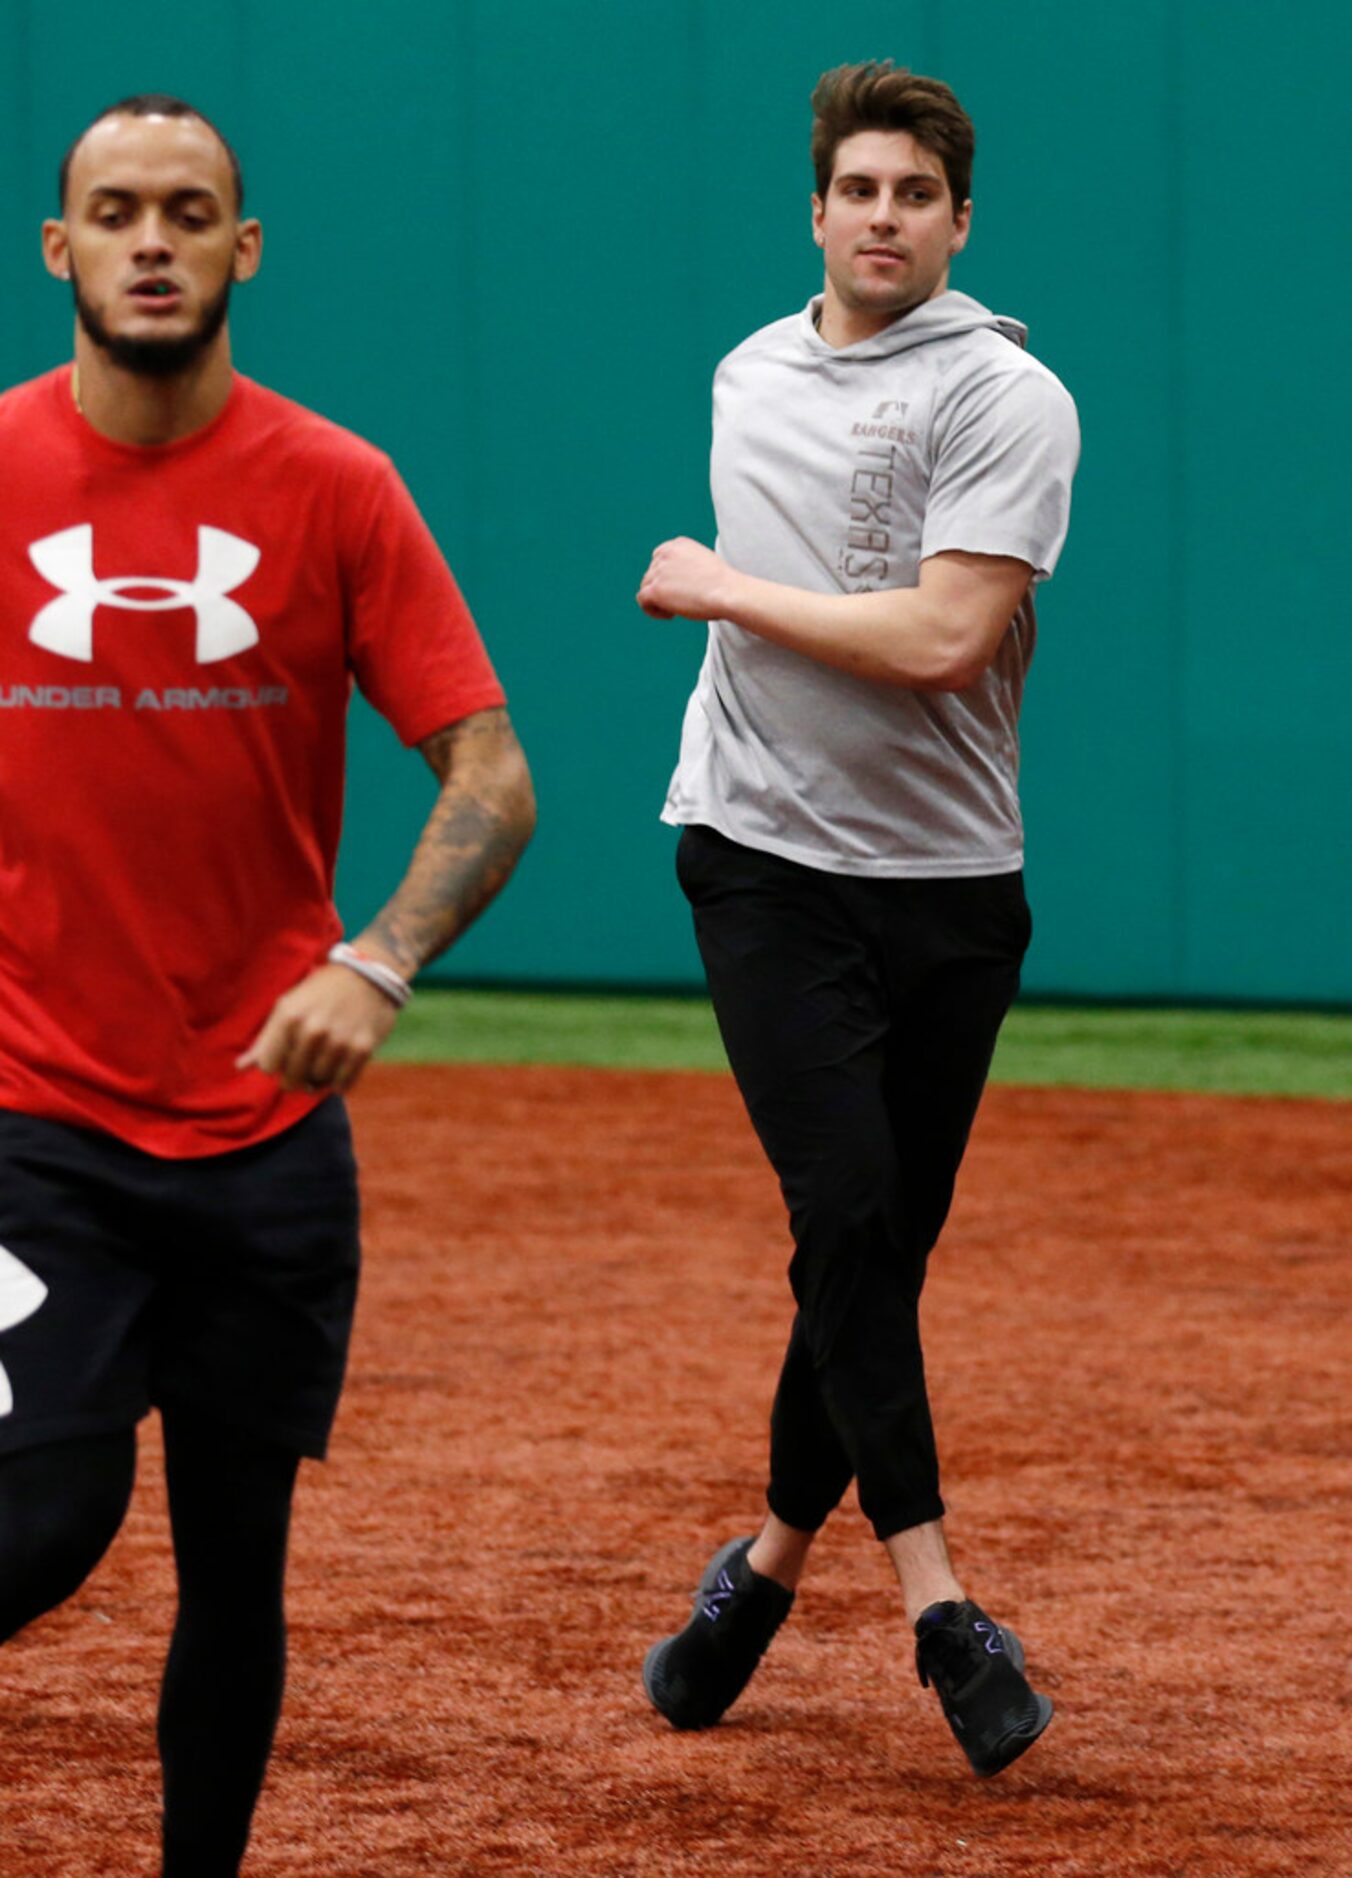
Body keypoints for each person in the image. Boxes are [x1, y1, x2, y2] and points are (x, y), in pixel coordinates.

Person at [0, 95, 535, 1873]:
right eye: (116, 211)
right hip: (36, 1116)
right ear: (60, 248)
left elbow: (492, 774)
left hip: (265, 1135)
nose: (153, 238)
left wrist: (377, 961)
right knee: (44, 1518)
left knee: (238, 1572)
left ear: (244, 247)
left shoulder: (335, 488)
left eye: (190, 210)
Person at [637, 61, 1078, 1777]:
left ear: (960, 223)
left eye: (916, 193)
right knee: (852, 1205)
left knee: (867, 1253)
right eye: (858, 188)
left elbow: (943, 641)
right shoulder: (751, 369)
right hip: (757, 860)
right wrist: (744, 621)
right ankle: (942, 1609)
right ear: (815, 208)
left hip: (951, 885)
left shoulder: (1011, 396)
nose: (883, 214)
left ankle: (759, 1568)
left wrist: (715, 584)